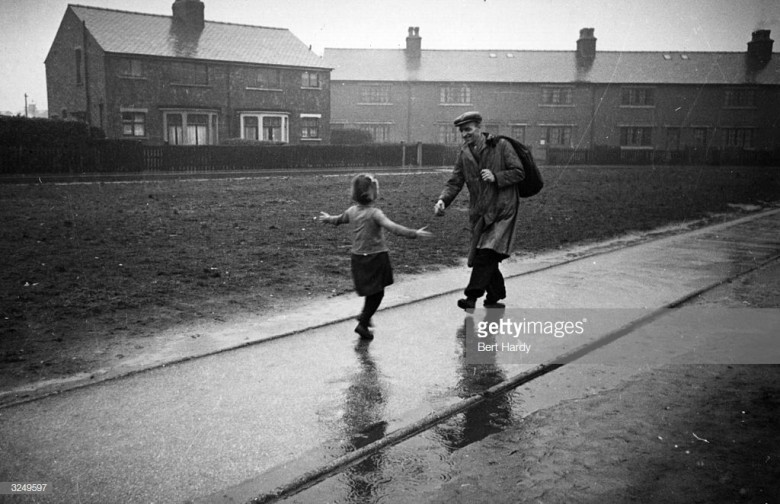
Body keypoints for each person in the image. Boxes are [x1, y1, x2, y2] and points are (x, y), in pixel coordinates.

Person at [320, 173, 432, 339]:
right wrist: (414, 233)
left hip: (358, 258)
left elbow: (339, 219)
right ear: (371, 193)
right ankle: (363, 323)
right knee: (378, 293)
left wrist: (328, 218)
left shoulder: (351, 211)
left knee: (371, 292)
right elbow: (393, 227)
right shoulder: (375, 213)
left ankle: (365, 315)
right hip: (376, 257)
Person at [433, 111, 525, 311]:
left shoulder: (500, 146)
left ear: (479, 127)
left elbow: (519, 172)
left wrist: (497, 176)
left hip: (503, 209)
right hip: (480, 212)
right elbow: (455, 181)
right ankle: (495, 294)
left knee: (486, 253)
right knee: (485, 254)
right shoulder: (464, 153)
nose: (464, 134)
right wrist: (442, 200)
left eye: (468, 129)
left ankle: (471, 298)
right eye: (462, 131)